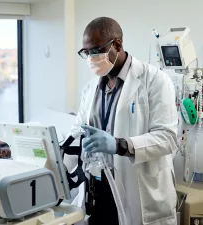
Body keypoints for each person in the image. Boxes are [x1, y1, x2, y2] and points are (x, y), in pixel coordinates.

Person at [71, 17, 178, 225]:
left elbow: (168, 138)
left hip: (139, 192)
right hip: (99, 190)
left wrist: (120, 145)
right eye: (86, 52)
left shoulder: (155, 81)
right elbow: (77, 130)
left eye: (96, 50)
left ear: (117, 45)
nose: (91, 58)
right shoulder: (91, 88)